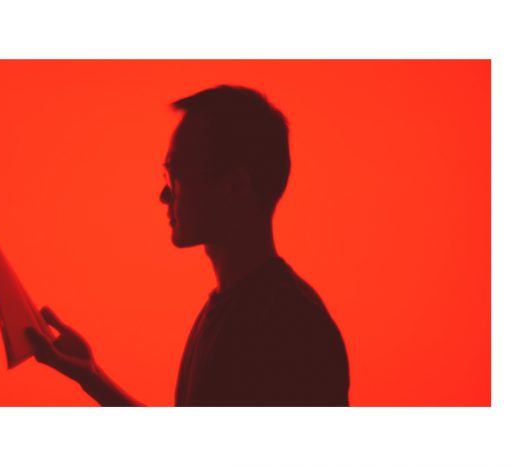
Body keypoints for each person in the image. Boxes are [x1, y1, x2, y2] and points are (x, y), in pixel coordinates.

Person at [26, 85, 350, 406]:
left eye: (177, 174)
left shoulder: (289, 326)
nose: (164, 196)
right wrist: (91, 376)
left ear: (236, 186)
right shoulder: (232, 312)